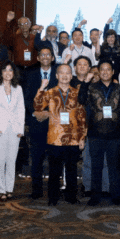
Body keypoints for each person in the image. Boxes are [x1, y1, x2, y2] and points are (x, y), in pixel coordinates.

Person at [34, 64, 87, 205]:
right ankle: (53, 198)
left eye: (68, 73)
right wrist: (41, 88)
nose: (64, 76)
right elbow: (37, 106)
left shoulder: (77, 93)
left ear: (71, 76)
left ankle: (71, 196)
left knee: (72, 170)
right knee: (54, 171)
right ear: (57, 75)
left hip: (73, 138)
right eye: (61, 73)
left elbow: (82, 116)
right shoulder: (50, 92)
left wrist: (82, 137)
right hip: (55, 137)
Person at [80, 61, 120, 206]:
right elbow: (81, 100)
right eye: (102, 70)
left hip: (114, 133)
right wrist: (85, 83)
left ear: (113, 72)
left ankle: (116, 195)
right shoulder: (91, 87)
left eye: (108, 70)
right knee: (96, 166)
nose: (105, 72)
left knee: (114, 167)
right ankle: (95, 196)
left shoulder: (119, 88)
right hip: (95, 133)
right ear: (99, 72)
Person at [23, 46, 58, 199]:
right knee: (36, 159)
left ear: (52, 58)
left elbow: (63, 97)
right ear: (37, 58)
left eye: (48, 55)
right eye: (42, 55)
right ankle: (36, 191)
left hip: (54, 123)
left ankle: (53, 191)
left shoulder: (58, 74)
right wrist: (35, 112)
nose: (45, 57)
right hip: (36, 123)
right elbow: (26, 98)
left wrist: (49, 113)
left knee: (54, 160)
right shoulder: (30, 75)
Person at [0, 61, 25, 201]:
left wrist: (20, 129)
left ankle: (9, 189)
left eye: (10, 70)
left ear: (14, 72)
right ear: (1, 73)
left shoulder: (18, 88)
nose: (8, 73)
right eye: (5, 70)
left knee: (11, 161)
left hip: (14, 129)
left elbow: (21, 109)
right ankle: (1, 190)